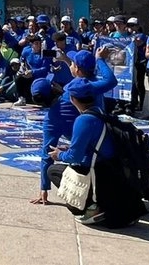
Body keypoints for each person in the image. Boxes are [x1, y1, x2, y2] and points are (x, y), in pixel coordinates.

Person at [31, 51, 117, 205]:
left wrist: (44, 187)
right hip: (108, 146)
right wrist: (100, 59)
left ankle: (87, 196)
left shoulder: (52, 118)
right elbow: (109, 80)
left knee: (55, 169)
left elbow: (48, 154)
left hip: (89, 156)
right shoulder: (88, 88)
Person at [46, 78, 118, 225]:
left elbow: (75, 156)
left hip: (97, 171)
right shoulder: (99, 111)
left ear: (73, 99)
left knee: (53, 171)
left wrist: (59, 154)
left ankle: (91, 205)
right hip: (109, 166)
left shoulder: (83, 120)